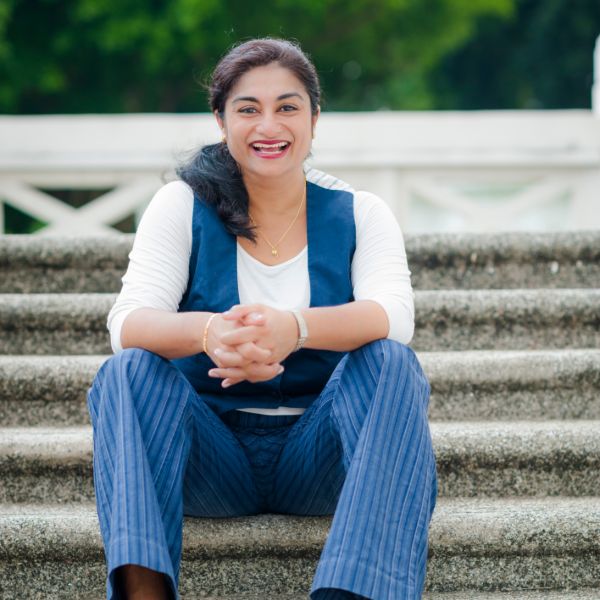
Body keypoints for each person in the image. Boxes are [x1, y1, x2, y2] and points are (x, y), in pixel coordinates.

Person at [87, 37, 437, 600]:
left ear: (315, 119)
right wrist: (210, 332)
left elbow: (394, 315)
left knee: (390, 361)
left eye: (288, 107)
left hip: (318, 453)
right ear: (220, 121)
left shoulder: (361, 212)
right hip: (209, 454)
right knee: (126, 371)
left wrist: (292, 329)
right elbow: (127, 322)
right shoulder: (180, 206)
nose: (268, 125)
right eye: (248, 109)